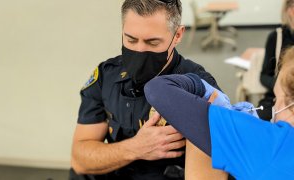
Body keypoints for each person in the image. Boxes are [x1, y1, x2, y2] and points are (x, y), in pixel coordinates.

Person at [70, 0, 222, 179]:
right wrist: (135, 148)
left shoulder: (198, 86)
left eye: (152, 42)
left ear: (178, 35)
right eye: (131, 40)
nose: (139, 50)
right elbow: (80, 161)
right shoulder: (106, 76)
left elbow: (208, 174)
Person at [144, 46, 294, 179]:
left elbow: (157, 89)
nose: (274, 105)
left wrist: (200, 86)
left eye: (276, 98)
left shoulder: (270, 142)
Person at [259, 0, 294, 120]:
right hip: (276, 98)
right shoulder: (276, 37)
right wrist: (283, 86)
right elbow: (264, 76)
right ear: (289, 10)